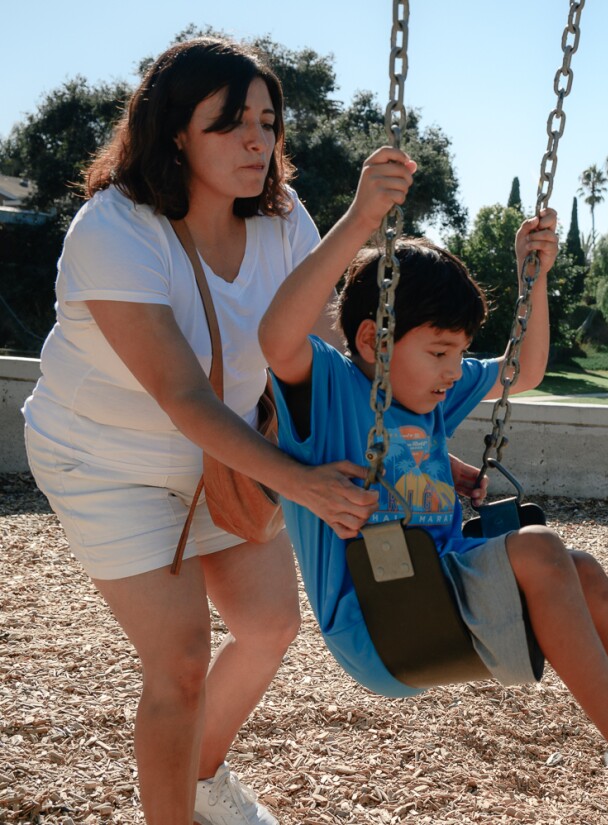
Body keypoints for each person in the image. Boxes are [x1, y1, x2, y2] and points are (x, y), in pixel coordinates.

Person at [256, 149, 608, 825]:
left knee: (586, 573)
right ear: (373, 338)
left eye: (460, 352)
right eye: (439, 352)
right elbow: (277, 335)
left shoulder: (429, 399)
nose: (455, 371)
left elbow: (526, 367)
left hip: (444, 594)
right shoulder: (333, 391)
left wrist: (533, 279)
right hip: (384, 616)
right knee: (541, 551)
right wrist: (364, 217)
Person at [20, 38, 383, 825]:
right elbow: (182, 394)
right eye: (230, 123)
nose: (258, 140)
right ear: (175, 131)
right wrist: (304, 484)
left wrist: (431, 455)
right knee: (181, 662)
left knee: (270, 623)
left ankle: (202, 778)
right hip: (105, 464)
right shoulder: (113, 229)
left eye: (267, 121)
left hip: (223, 459)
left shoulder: (286, 224)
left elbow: (330, 363)